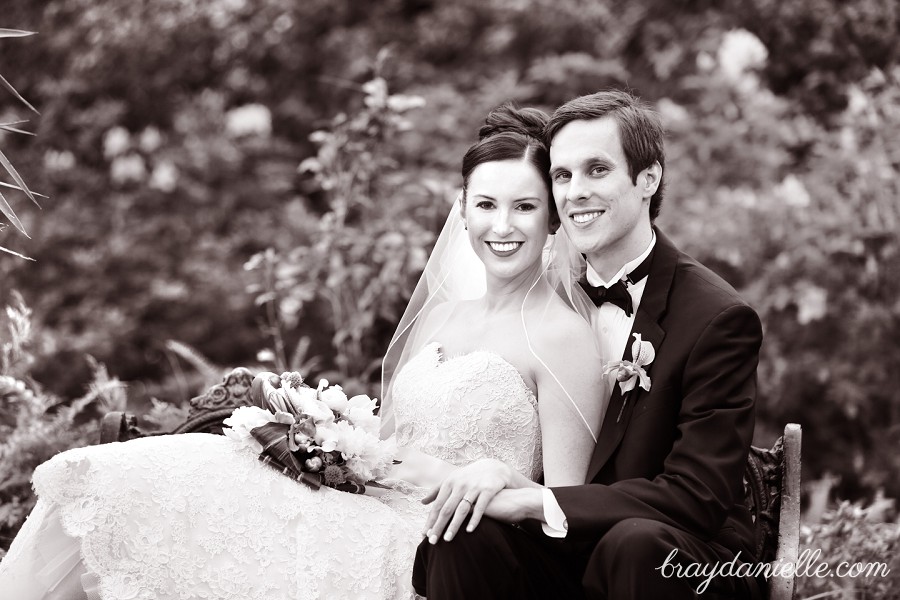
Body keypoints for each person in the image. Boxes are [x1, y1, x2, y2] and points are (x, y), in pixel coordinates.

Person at [0, 104, 608, 600]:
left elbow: (565, 511)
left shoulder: (563, 336)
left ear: (554, 219)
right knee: (145, 477)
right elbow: (390, 444)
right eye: (486, 205)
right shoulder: (444, 316)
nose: (503, 226)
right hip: (369, 504)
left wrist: (472, 476)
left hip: (439, 548)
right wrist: (330, 439)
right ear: (463, 211)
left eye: (525, 207)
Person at [413, 90, 764, 600]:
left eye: (597, 170)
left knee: (633, 544)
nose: (575, 191)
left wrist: (538, 502)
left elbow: (697, 497)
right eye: (562, 175)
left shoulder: (717, 318)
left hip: (680, 559)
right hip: (571, 551)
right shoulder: (542, 291)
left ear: (648, 179)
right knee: (464, 532)